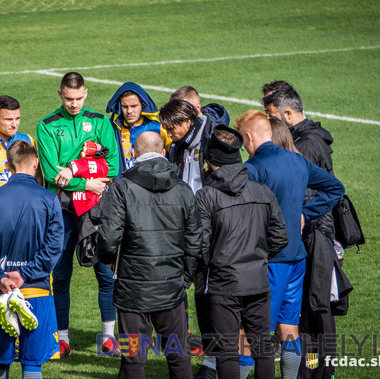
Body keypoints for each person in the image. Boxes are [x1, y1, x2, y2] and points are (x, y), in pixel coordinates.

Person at [235, 110, 344, 379]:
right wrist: (307, 212)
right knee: (289, 327)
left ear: (249, 137)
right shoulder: (297, 160)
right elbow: (335, 188)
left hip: (270, 261)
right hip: (297, 257)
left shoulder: (252, 169)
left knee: (249, 332)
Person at [96, 131, 201, 378]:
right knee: (179, 357)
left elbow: (108, 239)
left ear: (134, 154)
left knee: (133, 360)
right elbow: (196, 241)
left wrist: (111, 264)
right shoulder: (183, 189)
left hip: (133, 291)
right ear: (163, 153)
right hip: (171, 288)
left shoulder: (122, 188)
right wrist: (184, 277)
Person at [195, 126, 289, 379]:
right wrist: (257, 258)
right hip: (257, 282)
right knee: (262, 349)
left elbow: (199, 245)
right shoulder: (262, 191)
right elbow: (280, 237)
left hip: (223, 285)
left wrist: (214, 265)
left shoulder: (206, 196)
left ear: (210, 161)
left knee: (226, 351)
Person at [36, 72, 119, 357]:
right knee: (60, 273)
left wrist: (73, 170)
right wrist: (87, 180)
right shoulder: (47, 125)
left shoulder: (100, 121)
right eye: (69, 99)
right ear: (59, 94)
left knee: (104, 271)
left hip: (96, 208)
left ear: (86, 93)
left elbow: (114, 166)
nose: (74, 104)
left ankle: (108, 338)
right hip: (61, 208)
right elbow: (50, 173)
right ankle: (62, 338)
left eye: (79, 98)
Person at [263, 85, 344, 379]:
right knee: (311, 308)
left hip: (313, 235)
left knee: (313, 309)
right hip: (314, 232)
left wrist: (302, 214)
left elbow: (315, 191)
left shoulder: (306, 146)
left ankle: (317, 371)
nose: (266, 121)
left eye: (270, 115)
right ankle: (314, 370)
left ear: (286, 114)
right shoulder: (308, 138)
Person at [0, 140, 63, 379]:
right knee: (33, 363)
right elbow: (54, 247)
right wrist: (25, 274)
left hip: (0, 293)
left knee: (0, 362)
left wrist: (0, 276)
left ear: (7, 166)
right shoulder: (48, 199)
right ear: (35, 163)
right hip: (36, 290)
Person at [105, 82, 170, 176]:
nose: (129, 111)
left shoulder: (158, 128)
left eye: (134, 106)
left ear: (142, 106)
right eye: (125, 106)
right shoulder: (110, 129)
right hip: (120, 186)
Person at [159, 98, 211, 194]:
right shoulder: (176, 145)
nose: (168, 135)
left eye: (171, 129)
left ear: (187, 122)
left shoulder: (210, 141)